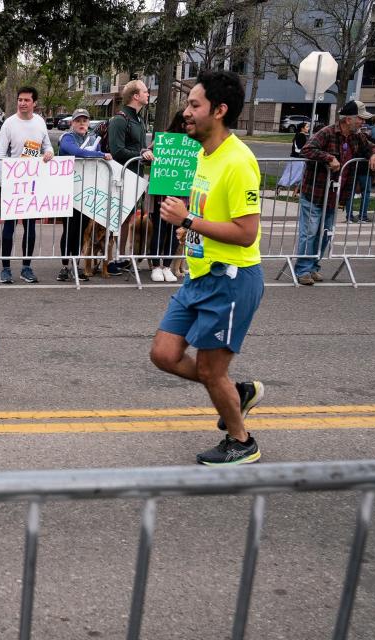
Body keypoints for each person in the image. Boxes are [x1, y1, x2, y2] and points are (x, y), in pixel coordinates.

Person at [151, 69, 265, 466]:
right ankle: (237, 394)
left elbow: (246, 233)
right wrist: (190, 233)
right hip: (199, 275)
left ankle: (241, 440)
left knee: (210, 369)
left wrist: (187, 221)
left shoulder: (239, 162)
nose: (186, 112)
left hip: (231, 279)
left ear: (219, 110)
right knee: (164, 354)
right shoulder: (203, 154)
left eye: (194, 105)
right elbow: (206, 215)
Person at [295, 101, 375, 286]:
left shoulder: (357, 137)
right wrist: (329, 157)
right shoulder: (327, 132)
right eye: (360, 118)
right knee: (310, 232)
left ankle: (313, 266)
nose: (362, 122)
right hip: (315, 193)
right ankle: (303, 269)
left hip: (335, 195)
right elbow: (307, 150)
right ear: (348, 119)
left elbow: (371, 147)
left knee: (326, 233)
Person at [0, 86, 54, 284]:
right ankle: (5, 268)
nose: (22, 103)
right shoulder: (9, 124)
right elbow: (0, 155)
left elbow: (47, 146)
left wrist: (49, 153)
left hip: (32, 185)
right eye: (20, 99)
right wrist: (5, 182)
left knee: (30, 228)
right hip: (12, 184)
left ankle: (26, 267)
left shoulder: (40, 123)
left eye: (26, 100)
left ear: (34, 103)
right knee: (8, 229)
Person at [55, 108, 111, 282]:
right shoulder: (67, 138)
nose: (81, 124)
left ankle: (76, 264)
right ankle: (65, 265)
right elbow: (75, 152)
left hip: (86, 192)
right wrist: (100, 154)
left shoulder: (94, 140)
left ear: (88, 123)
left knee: (81, 231)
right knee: (69, 230)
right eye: (78, 120)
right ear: (72, 123)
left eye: (84, 121)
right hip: (68, 191)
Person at [108, 79, 154, 275]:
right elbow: (117, 150)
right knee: (115, 218)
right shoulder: (119, 119)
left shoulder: (139, 120)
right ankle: (109, 259)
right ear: (135, 96)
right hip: (120, 176)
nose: (147, 94)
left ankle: (120, 257)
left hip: (135, 175)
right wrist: (139, 155)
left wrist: (145, 152)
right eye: (144, 91)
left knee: (127, 218)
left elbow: (137, 147)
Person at [145, 110, 187, 282]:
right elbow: (147, 151)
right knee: (160, 229)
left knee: (175, 231)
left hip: (182, 193)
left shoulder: (195, 142)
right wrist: (145, 154)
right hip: (162, 193)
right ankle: (156, 265)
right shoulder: (166, 138)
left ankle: (168, 265)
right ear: (181, 123)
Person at [277, 121, 309, 196]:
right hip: (298, 159)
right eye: (306, 127)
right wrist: (305, 153)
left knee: (300, 176)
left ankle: (294, 193)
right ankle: (281, 186)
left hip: (296, 158)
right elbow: (298, 148)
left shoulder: (298, 135)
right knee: (294, 175)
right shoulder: (301, 136)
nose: (308, 128)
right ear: (302, 128)